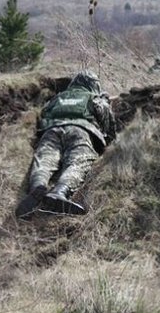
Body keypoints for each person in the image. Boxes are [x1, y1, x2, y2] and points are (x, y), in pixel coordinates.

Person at [15, 70, 117, 217]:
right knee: (78, 162)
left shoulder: (58, 98)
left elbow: (44, 114)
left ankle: (37, 186)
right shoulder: (94, 97)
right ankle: (60, 191)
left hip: (52, 130)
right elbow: (107, 122)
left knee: (44, 161)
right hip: (81, 131)